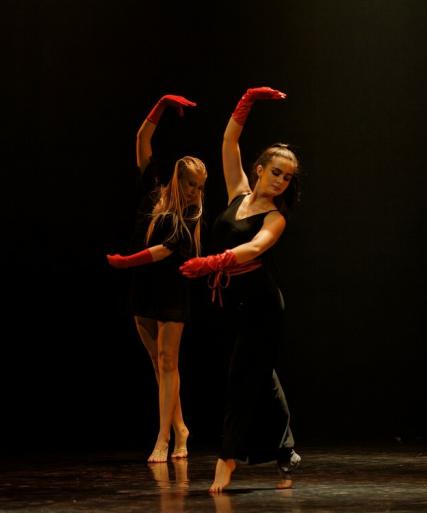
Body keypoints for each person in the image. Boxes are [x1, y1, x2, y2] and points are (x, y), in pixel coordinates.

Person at [180, 87, 301, 492]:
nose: (281, 181)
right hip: (233, 302)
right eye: (276, 172)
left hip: (263, 305)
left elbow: (255, 247)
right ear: (260, 168)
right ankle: (285, 451)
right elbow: (229, 141)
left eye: (288, 177)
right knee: (261, 375)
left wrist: (212, 262)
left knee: (241, 377)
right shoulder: (238, 193)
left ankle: (226, 459)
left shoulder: (276, 217)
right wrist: (246, 102)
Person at [107, 94, 207, 462]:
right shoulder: (154, 192)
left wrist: (125, 262)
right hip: (144, 289)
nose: (197, 192)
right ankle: (181, 427)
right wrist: (161, 107)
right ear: (179, 180)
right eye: (192, 184)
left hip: (172, 293)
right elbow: (142, 141)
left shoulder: (191, 216)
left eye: (201, 186)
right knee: (158, 364)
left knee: (168, 362)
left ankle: (165, 438)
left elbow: (163, 251)